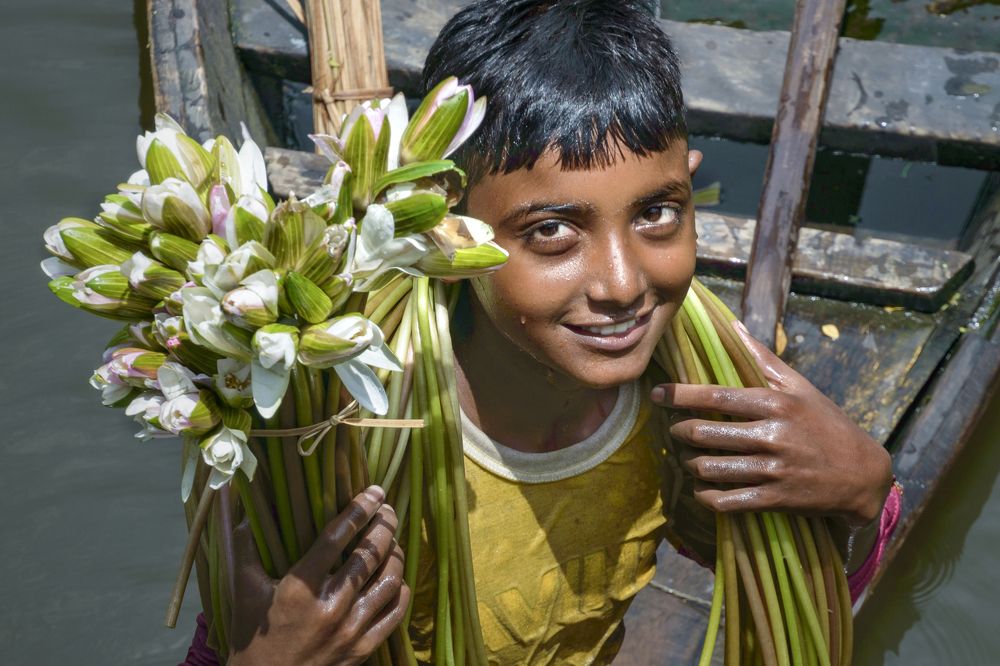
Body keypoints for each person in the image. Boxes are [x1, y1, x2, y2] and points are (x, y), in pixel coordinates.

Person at [186, 1, 898, 663]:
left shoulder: (688, 400)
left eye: (656, 212)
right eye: (552, 231)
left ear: (690, 183)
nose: (621, 284)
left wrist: (866, 494)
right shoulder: (335, 434)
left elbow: (798, 593)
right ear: (446, 230)